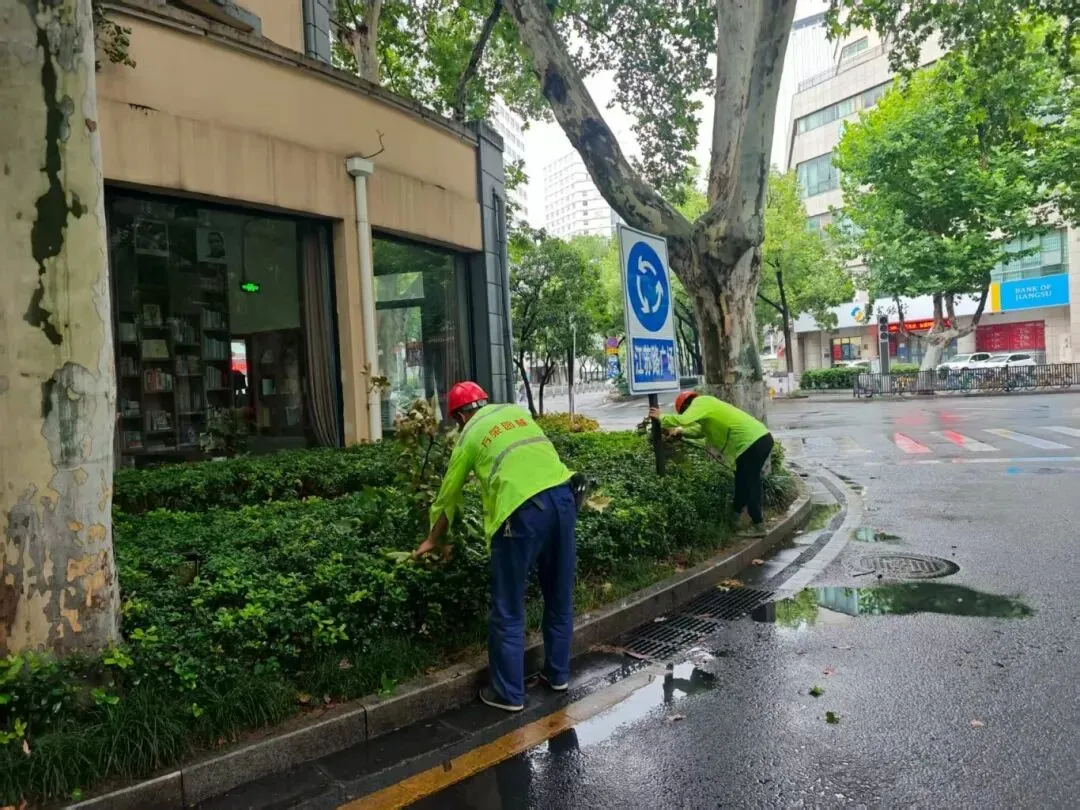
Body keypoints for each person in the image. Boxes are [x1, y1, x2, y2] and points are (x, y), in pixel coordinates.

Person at [414, 381, 577, 712]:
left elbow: (448, 495)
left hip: (521, 512)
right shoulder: (516, 413)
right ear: (484, 402)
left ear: (459, 416)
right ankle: (558, 675)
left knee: (508, 605)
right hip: (564, 498)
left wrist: (433, 538)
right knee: (559, 594)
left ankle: (509, 693)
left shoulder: (470, 435)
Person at [649, 391, 774, 537]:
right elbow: (700, 431)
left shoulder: (701, 401)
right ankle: (735, 518)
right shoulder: (707, 410)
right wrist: (681, 432)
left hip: (751, 443)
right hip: (756, 440)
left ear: (687, 405)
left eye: (685, 410)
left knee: (750, 482)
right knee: (742, 481)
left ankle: (758, 526)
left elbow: (684, 419)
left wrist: (661, 417)